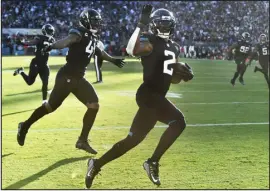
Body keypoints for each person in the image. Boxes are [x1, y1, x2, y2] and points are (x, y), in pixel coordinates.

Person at [85, 5, 193, 188]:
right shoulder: (149, 39)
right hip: (147, 94)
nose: (165, 28)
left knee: (132, 140)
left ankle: (95, 164)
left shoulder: (175, 46)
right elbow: (130, 49)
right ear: (154, 25)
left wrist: (183, 76)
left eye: (168, 25)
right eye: (162, 24)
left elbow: (169, 77)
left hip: (157, 97)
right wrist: (140, 24)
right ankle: (152, 162)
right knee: (179, 121)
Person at [17, 9, 125, 155]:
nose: (97, 24)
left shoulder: (92, 37)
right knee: (50, 107)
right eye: (94, 21)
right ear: (86, 20)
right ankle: (25, 125)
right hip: (66, 76)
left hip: (79, 78)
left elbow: (99, 52)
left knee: (93, 105)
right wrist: (51, 46)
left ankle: (82, 140)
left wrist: (114, 60)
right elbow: (68, 41)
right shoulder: (79, 32)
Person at [13, 24, 55, 102]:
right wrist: (22, 43)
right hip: (36, 63)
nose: (51, 32)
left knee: (45, 83)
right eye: (50, 31)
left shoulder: (52, 40)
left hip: (44, 65)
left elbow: (52, 47)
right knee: (30, 82)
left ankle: (44, 101)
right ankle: (21, 71)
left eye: (51, 31)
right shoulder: (40, 37)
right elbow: (31, 43)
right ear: (45, 31)